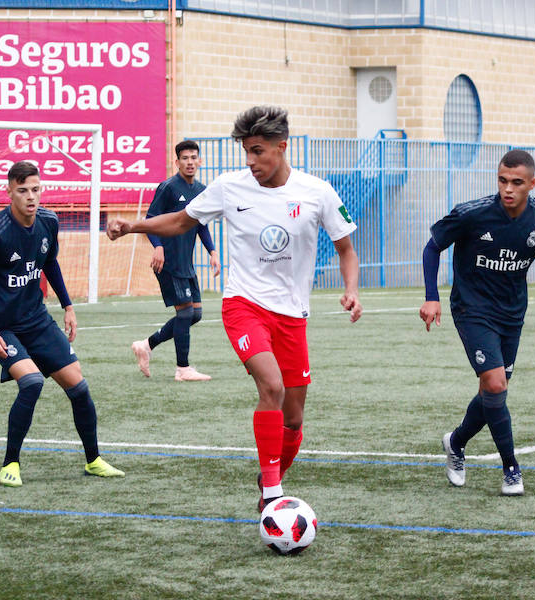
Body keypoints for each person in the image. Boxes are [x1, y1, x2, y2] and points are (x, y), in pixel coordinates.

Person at [107, 105, 362, 511]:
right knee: (272, 388)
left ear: (282, 147)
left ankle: (268, 479)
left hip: (293, 316)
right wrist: (132, 226)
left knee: (294, 421)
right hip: (244, 306)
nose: (251, 160)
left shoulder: (317, 192)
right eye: (246, 151)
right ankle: (274, 496)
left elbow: (346, 248)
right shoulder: (230, 187)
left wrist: (351, 289)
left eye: (258, 151)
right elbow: (179, 221)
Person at [0, 161, 124, 487]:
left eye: (35, 189)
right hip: (2, 327)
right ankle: (10, 463)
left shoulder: (49, 221)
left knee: (79, 387)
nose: (31, 197)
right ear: (9, 192)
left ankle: (93, 460)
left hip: (37, 320)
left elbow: (50, 263)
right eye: (22, 191)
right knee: (32, 382)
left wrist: (68, 306)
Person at [421, 149, 535, 496]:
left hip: (512, 313)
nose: (508, 188)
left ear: (532, 183)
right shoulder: (472, 214)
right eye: (503, 180)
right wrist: (432, 296)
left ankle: (456, 443)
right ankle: (511, 469)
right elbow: (432, 248)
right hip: (471, 308)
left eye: (517, 182)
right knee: (496, 384)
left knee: (493, 390)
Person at [131, 140, 221, 381]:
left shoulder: (201, 189)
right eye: (185, 158)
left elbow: (200, 224)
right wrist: (158, 247)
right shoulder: (168, 187)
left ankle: (146, 345)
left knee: (195, 314)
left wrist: (212, 251)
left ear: (199, 161)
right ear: (177, 162)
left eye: (194, 157)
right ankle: (183, 369)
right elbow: (150, 221)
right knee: (184, 314)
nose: (190, 162)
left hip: (186, 263)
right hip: (168, 262)